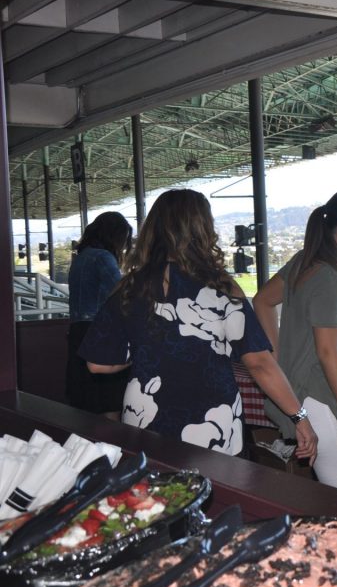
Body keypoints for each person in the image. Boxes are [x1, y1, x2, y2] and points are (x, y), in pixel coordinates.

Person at [79, 189, 317, 463]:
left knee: (154, 487)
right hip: (213, 419)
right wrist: (299, 417)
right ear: (203, 230)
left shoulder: (130, 287)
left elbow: (97, 364)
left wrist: (150, 350)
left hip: (145, 418)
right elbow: (260, 363)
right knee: (218, 487)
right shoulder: (222, 288)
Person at [253, 187, 337, 494]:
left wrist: (280, 360)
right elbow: (327, 351)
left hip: (308, 399)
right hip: (329, 405)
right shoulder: (332, 276)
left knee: (334, 501)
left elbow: (262, 301)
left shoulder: (305, 261)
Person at [66, 212, 133, 419]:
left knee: (84, 397)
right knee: (109, 399)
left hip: (77, 331)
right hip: (98, 331)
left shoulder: (81, 257)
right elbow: (120, 293)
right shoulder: (103, 257)